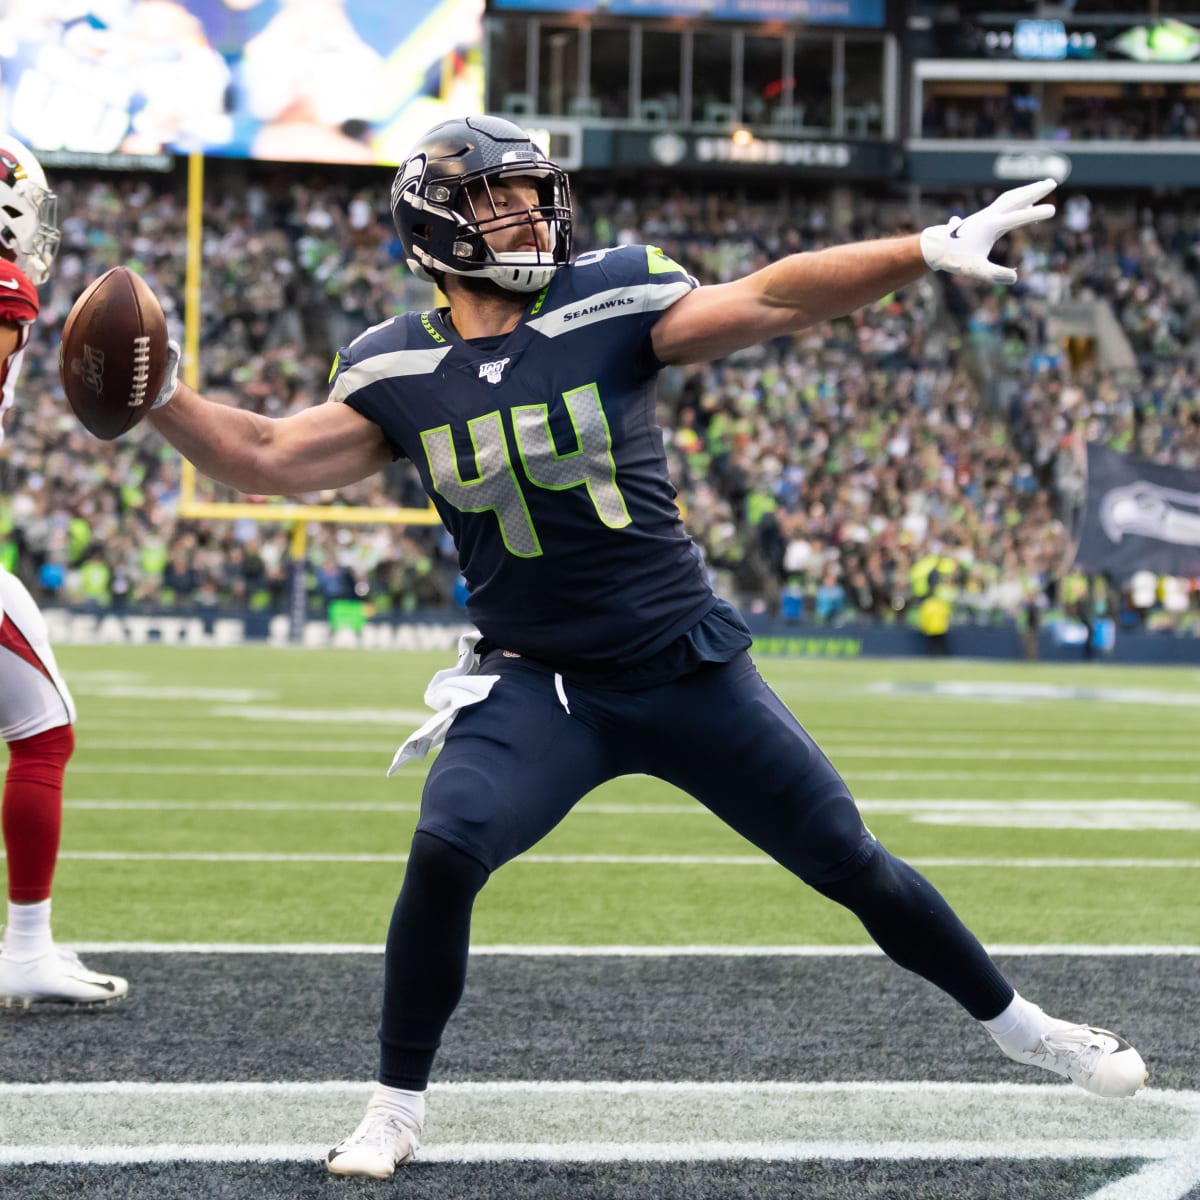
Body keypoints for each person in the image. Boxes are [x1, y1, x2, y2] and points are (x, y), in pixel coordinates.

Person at [138, 115, 1146, 1177]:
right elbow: (265, 455)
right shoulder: (392, 363)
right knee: (446, 849)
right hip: (538, 687)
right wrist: (158, 399)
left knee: (849, 860)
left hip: (684, 666)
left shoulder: (607, 296)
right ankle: (395, 1105)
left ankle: (1023, 1027)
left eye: (533, 192)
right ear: (436, 224)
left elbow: (771, 296)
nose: (529, 213)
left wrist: (922, 249)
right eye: (497, 198)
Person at [0, 136, 128, 1008]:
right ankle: (26, 948)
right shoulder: (5, 297)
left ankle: (29, 949)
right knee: (44, 731)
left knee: (45, 729)